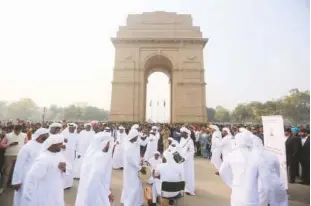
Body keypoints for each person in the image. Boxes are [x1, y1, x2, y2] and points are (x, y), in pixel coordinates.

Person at [219, 132, 267, 206]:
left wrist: (231, 183)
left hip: (236, 194)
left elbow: (222, 171)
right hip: (252, 196)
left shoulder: (231, 155)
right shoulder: (257, 156)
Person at [19, 134, 67, 206]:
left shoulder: (59, 155)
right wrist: (29, 195)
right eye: (60, 144)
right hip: (46, 191)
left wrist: (64, 169)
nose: (62, 146)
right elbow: (32, 177)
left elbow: (67, 169)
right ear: (52, 145)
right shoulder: (44, 158)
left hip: (57, 190)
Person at [11, 128, 49, 206]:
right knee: (24, 197)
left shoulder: (46, 147)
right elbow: (19, 164)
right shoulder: (27, 147)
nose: (48, 136)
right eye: (47, 134)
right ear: (40, 135)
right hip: (26, 176)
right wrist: (16, 181)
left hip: (40, 177)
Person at [76, 130, 115, 206]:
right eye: (108, 144)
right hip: (95, 195)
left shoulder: (90, 155)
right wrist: (107, 192)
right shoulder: (100, 157)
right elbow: (93, 181)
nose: (109, 146)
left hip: (88, 194)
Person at [252, 134, 288, 206]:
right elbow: (278, 170)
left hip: (259, 186)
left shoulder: (250, 156)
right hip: (274, 183)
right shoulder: (271, 154)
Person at [121, 125, 144, 206]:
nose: (137, 138)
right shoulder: (128, 146)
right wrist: (139, 167)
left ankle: (137, 202)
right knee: (133, 187)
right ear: (133, 136)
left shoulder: (133, 143)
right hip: (131, 170)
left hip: (135, 169)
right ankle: (130, 203)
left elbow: (136, 155)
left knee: (136, 186)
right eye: (136, 137)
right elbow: (130, 161)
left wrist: (140, 160)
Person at [2, 125, 27, 192]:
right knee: (7, 171)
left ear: (21, 130)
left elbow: (26, 145)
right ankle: (4, 186)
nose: (18, 131)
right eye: (16, 130)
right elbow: (1, 145)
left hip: (20, 156)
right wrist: (9, 145)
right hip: (9, 155)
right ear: (14, 129)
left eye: (19, 130)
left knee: (17, 171)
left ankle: (14, 185)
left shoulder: (24, 135)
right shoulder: (8, 135)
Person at [179, 127, 195, 196]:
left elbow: (192, 151)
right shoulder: (182, 139)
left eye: (181, 132)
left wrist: (185, 158)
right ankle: (184, 187)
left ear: (185, 133)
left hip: (188, 161)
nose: (180, 134)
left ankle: (190, 189)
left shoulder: (190, 141)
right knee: (182, 174)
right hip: (181, 160)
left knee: (188, 174)